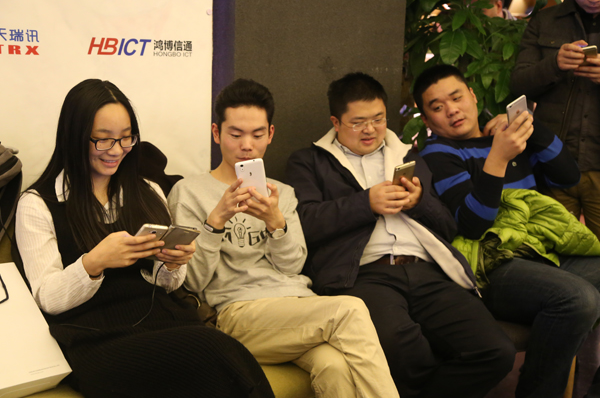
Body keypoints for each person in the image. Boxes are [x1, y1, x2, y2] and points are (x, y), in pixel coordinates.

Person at [14, 79, 274, 398]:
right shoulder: (38, 204)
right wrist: (94, 263)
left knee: (219, 354)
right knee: (213, 347)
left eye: (126, 138)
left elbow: (168, 285)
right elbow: (46, 298)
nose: (117, 150)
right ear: (74, 136)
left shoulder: (147, 191)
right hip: (96, 339)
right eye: (103, 140)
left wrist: (173, 263)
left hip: (164, 321)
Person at [285, 72, 516, 398]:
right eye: (358, 122)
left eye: (378, 119)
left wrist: (419, 202)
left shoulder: (408, 156)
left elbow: (448, 227)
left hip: (426, 270)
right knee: (404, 350)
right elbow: (305, 224)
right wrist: (366, 203)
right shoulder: (309, 162)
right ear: (336, 123)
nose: (370, 129)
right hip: (362, 275)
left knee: (496, 351)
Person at [167, 78, 399, 398]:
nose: (247, 145)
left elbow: (292, 267)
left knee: (334, 367)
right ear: (217, 133)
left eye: (257, 134)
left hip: (299, 305)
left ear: (270, 134)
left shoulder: (283, 193)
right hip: (239, 312)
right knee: (351, 309)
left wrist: (275, 222)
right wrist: (216, 221)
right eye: (236, 134)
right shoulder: (189, 192)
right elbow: (192, 281)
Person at [416, 64, 600, 398]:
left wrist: (531, 127)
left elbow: (569, 176)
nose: (452, 110)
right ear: (427, 121)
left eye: (457, 98)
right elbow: (473, 225)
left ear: (473, 97)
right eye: (438, 107)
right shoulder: (437, 154)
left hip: (539, 252)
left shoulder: (505, 137)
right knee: (578, 299)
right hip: (491, 266)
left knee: (580, 295)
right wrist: (498, 158)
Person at [510, 0, 600, 239]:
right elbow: (518, 85)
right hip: (553, 161)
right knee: (555, 248)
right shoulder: (545, 20)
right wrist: (554, 64)